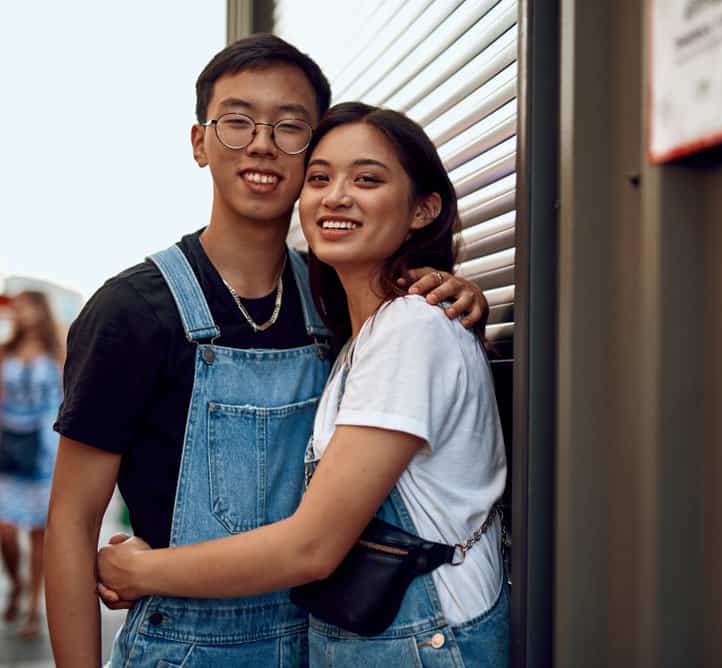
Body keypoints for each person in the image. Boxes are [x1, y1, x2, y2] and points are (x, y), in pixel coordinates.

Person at [45, 36, 488, 667]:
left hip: (323, 641)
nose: (261, 143)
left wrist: (454, 289)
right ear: (199, 143)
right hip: (185, 649)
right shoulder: (133, 312)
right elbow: (70, 523)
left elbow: (413, 342)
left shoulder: (337, 299)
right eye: (237, 122)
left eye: (289, 127)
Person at [0, 291, 63, 640]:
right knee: (5, 530)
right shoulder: (6, 351)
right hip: (9, 445)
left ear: (42, 309)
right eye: (19, 306)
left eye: (28, 305)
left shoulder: (58, 352)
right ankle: (17, 583)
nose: (22, 312)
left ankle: (32, 608)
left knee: (40, 534)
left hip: (44, 449)